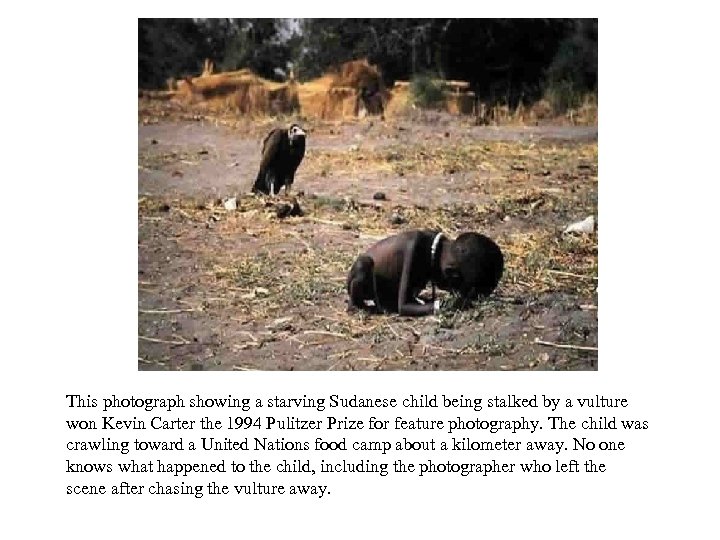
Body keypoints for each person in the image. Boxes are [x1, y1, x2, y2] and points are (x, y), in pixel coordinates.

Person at [346, 229, 504, 316]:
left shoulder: (435, 249)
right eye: (453, 288)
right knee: (362, 267)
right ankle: (356, 304)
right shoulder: (417, 246)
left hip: (388, 293)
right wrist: (438, 307)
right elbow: (404, 306)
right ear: (451, 274)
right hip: (367, 282)